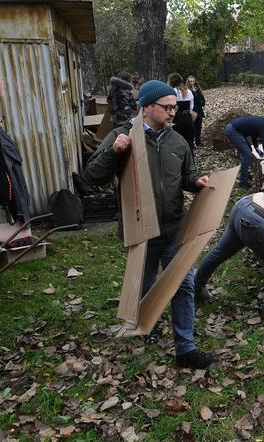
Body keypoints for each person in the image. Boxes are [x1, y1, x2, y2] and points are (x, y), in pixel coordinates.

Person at [84, 79, 215, 369]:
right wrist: (114, 152)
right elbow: (91, 176)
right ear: (146, 108)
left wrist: (197, 182)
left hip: (174, 231)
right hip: (141, 234)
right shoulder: (122, 136)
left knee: (183, 286)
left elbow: (187, 176)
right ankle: (149, 324)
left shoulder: (178, 141)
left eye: (174, 107)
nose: (173, 112)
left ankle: (186, 349)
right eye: (167, 107)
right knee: (146, 286)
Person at [226, 115, 264, 188]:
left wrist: (256, 148)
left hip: (237, 131)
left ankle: (245, 174)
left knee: (249, 151)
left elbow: (254, 134)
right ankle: (243, 183)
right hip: (233, 131)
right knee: (247, 154)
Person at [167, 73, 195, 151]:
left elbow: (170, 107)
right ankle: (190, 162)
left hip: (178, 119)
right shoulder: (188, 91)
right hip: (188, 118)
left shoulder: (172, 91)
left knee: (177, 145)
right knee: (189, 145)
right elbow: (191, 107)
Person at [186, 75, 205, 148]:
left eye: (193, 81)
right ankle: (191, 143)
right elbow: (191, 101)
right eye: (190, 81)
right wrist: (194, 93)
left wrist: (197, 93)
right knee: (192, 128)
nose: (192, 83)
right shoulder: (187, 91)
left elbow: (202, 101)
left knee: (198, 128)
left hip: (199, 111)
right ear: (188, 82)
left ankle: (198, 142)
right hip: (192, 112)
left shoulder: (198, 90)